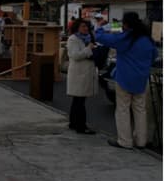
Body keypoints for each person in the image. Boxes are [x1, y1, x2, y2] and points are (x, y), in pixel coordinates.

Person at [96, 12, 156, 149]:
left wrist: (106, 26)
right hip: (141, 79)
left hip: (124, 78)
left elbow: (100, 36)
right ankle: (141, 141)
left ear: (126, 24)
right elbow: (154, 55)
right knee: (140, 110)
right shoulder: (147, 39)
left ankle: (125, 141)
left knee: (123, 109)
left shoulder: (124, 38)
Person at [65, 19, 98, 134]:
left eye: (87, 26)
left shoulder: (89, 38)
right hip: (78, 73)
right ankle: (81, 126)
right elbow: (75, 55)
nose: (85, 28)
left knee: (78, 100)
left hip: (86, 72)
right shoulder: (73, 39)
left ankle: (74, 123)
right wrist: (89, 48)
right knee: (79, 101)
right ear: (77, 27)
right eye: (83, 26)